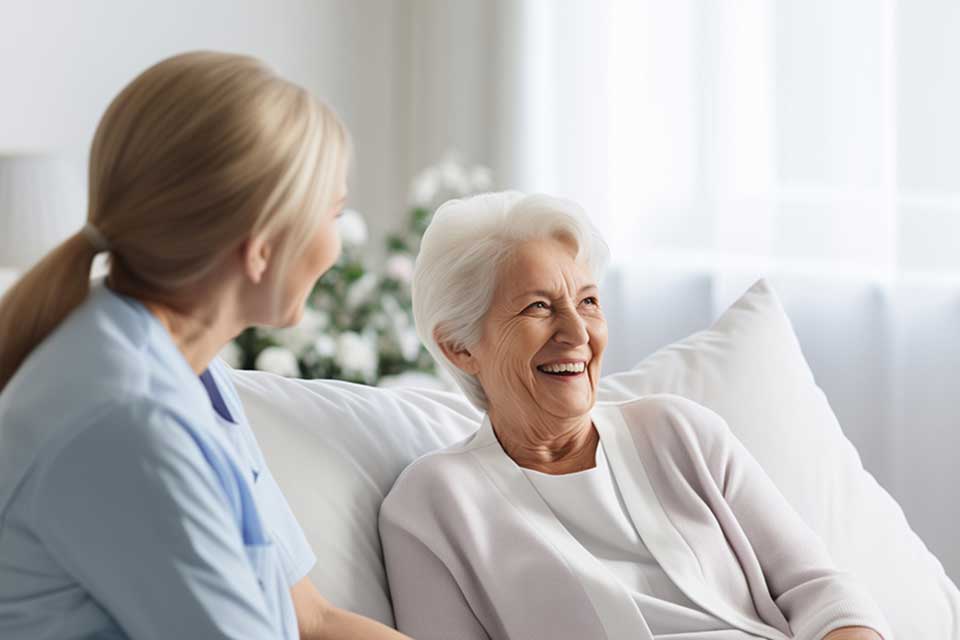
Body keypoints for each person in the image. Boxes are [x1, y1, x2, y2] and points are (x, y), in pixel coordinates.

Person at [0, 51, 409, 640]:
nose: (338, 246)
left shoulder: (189, 373)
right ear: (262, 246)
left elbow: (311, 620)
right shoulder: (127, 422)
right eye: (333, 214)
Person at [379, 191, 891, 640]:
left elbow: (822, 592)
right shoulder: (431, 506)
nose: (577, 333)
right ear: (460, 347)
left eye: (589, 301)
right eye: (538, 307)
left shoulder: (680, 433)